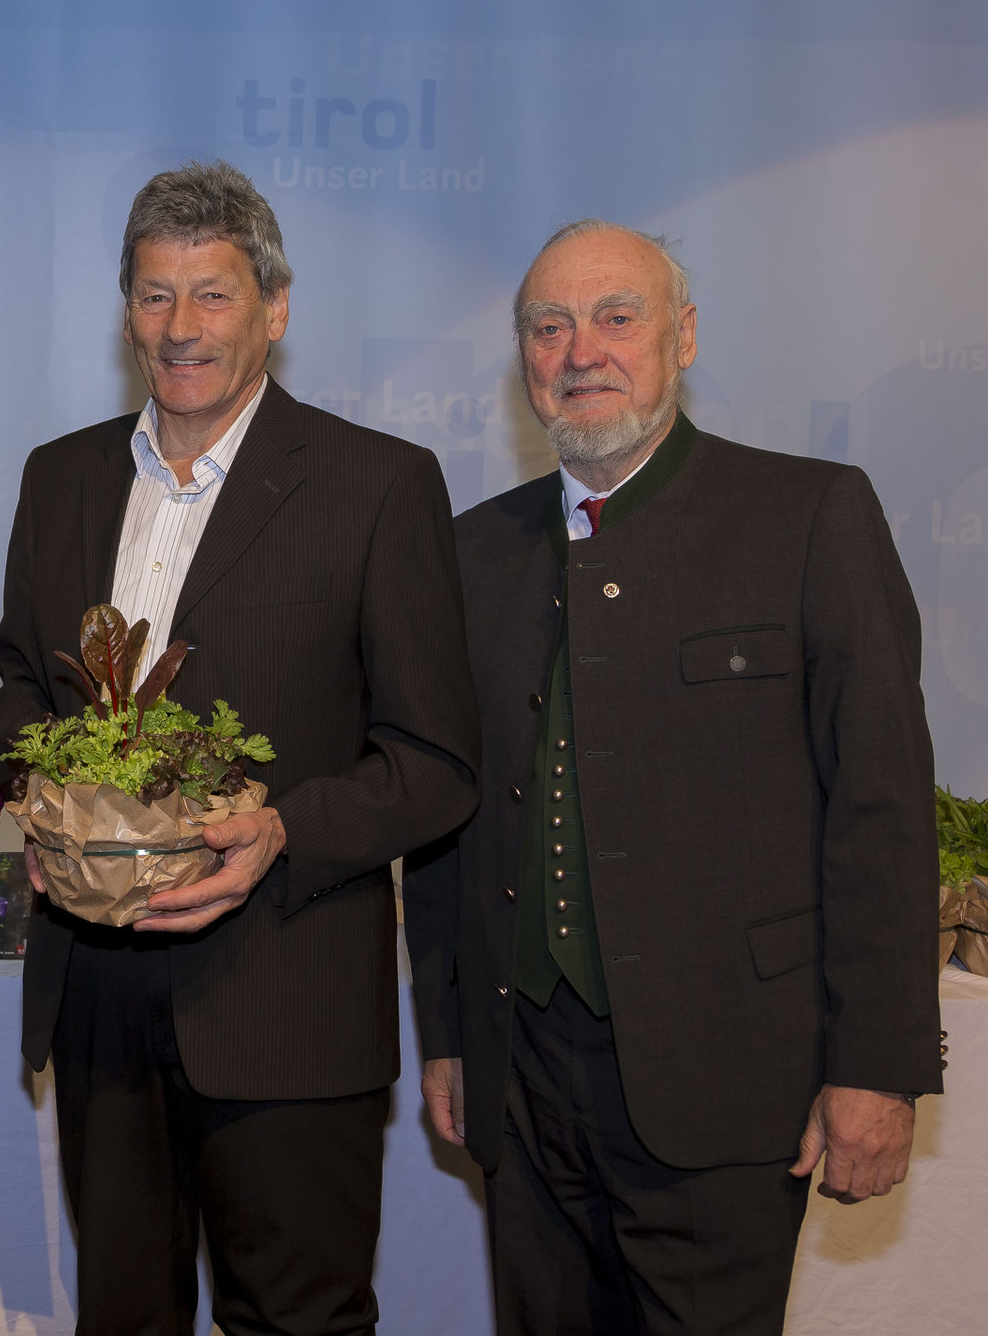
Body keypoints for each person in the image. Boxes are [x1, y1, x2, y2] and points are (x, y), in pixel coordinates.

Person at [402, 219, 945, 1335]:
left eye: (614, 317)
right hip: (524, 1078)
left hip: (728, 1087)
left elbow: (879, 812)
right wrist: (449, 1033)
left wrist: (876, 1069)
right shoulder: (467, 555)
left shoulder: (807, 517)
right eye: (546, 327)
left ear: (681, 336)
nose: (578, 352)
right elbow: (447, 817)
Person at [0, 160, 480, 1335]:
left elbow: (436, 760)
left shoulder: (377, 487)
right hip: (98, 992)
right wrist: (43, 802)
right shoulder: (57, 479)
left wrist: (279, 832)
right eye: (153, 296)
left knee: (296, 1322)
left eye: (211, 295)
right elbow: (16, 689)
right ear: (123, 312)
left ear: (276, 306)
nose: (180, 327)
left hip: (287, 1000)